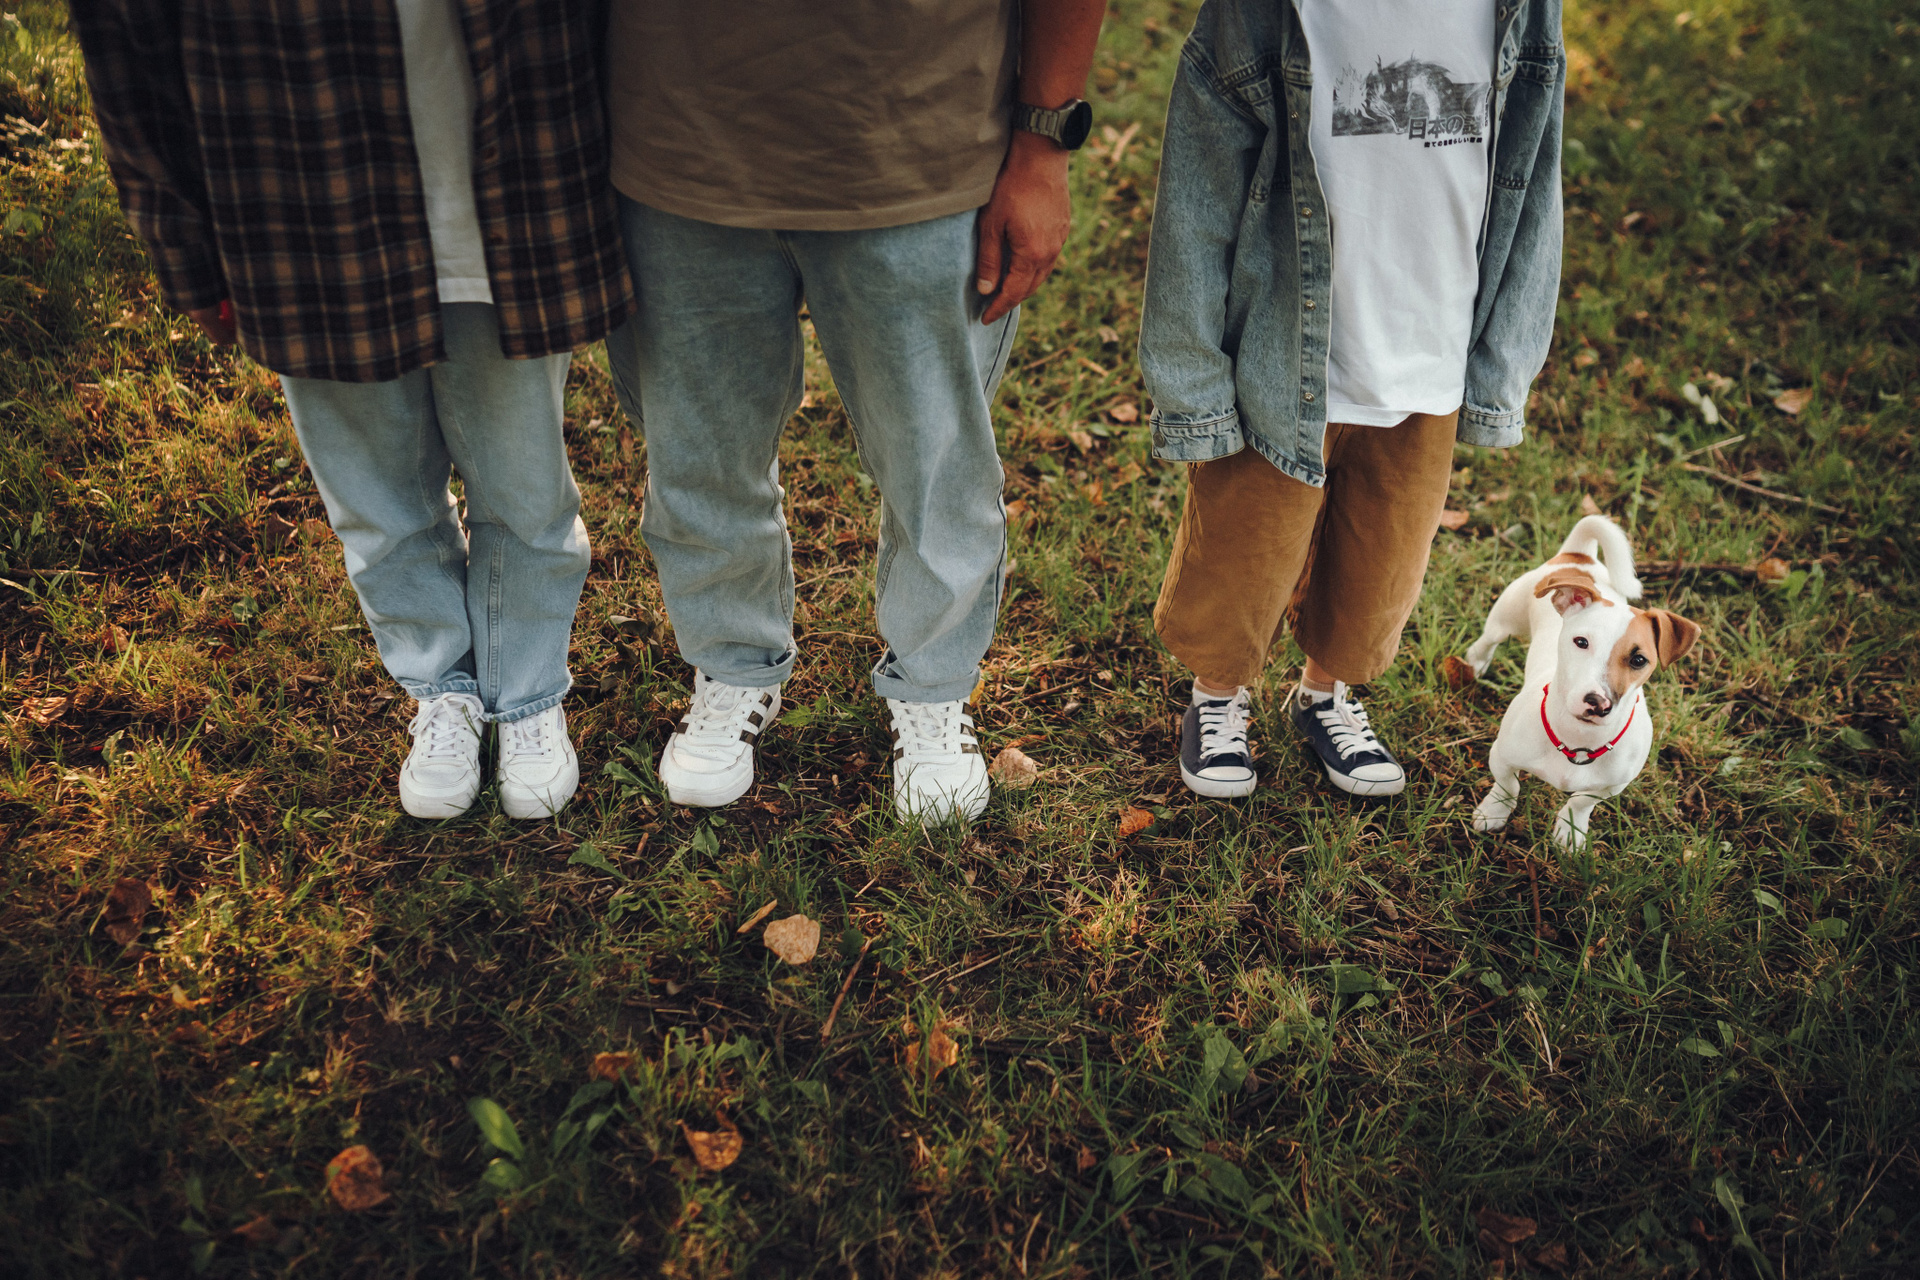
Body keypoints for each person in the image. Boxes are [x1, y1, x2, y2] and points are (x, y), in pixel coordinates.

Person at [72, 0, 633, 820]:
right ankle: (442, 688)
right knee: (377, 497)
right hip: (299, 199)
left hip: (514, 181)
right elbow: (125, 44)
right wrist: (184, 250)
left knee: (525, 485)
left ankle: (528, 693)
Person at [602, 0, 1106, 822]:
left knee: (934, 462)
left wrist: (1045, 142)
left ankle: (933, 687)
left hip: (923, 138)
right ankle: (733, 663)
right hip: (675, 135)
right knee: (699, 450)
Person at [1138, 0, 1566, 800]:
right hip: (1285, 339)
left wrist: (1503, 354)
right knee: (1246, 539)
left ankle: (1325, 694)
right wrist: (1190, 365)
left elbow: (1534, 169)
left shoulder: (1520, 10)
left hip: (1433, 333)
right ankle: (1217, 698)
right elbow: (1200, 172)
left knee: (1384, 546)